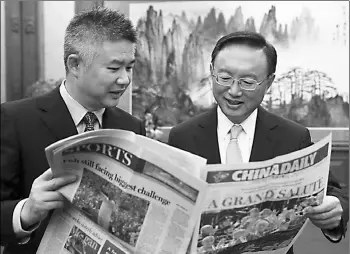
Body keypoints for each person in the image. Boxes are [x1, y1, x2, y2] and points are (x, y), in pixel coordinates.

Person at [168, 31, 348, 254]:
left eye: (248, 82)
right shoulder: (182, 136)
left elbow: (333, 191)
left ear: (269, 82)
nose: (234, 91)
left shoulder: (292, 136)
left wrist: (334, 207)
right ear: (212, 72)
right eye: (224, 78)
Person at [1, 7, 145, 253]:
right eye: (114, 68)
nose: (125, 79)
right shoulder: (15, 119)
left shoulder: (131, 127)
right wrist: (26, 211)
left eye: (129, 67)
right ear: (75, 64)